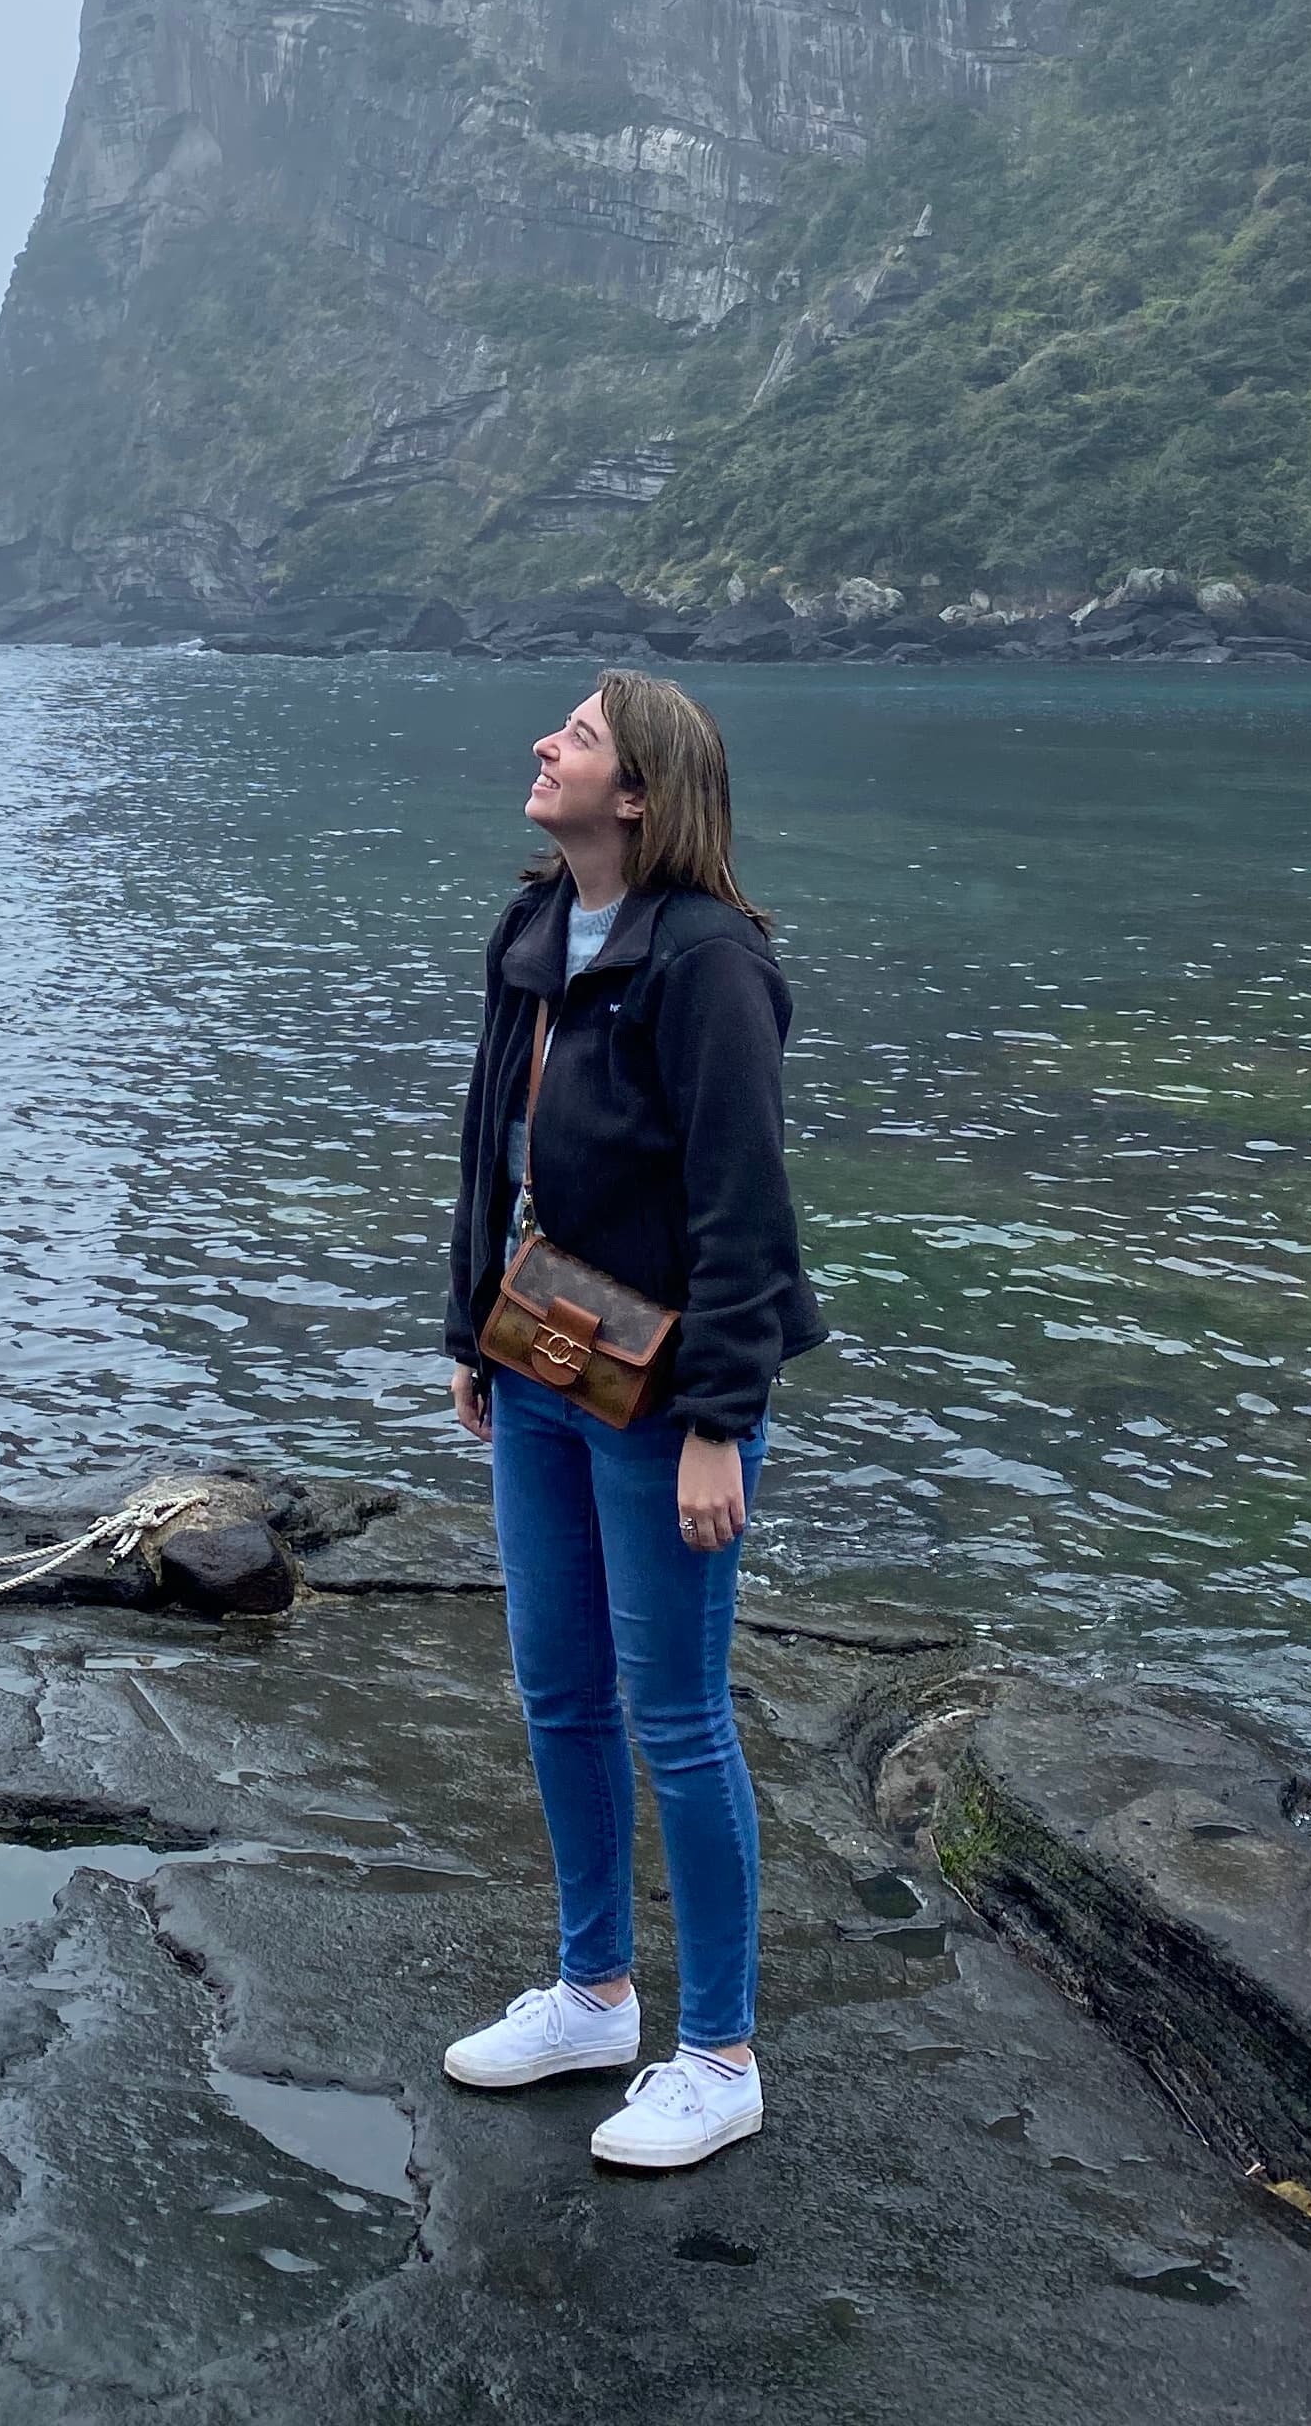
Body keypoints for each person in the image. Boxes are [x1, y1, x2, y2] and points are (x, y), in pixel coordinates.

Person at [439, 669, 824, 2173]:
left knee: (676, 1715)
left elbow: (746, 1211)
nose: (545, 747)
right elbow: (488, 1142)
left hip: (666, 1400)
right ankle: (596, 1994)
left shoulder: (709, 962)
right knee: (558, 1693)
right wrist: (467, 1325)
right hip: (540, 1366)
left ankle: (718, 2055)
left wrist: (723, 1421)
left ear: (644, 794)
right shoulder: (533, 929)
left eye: (580, 738)